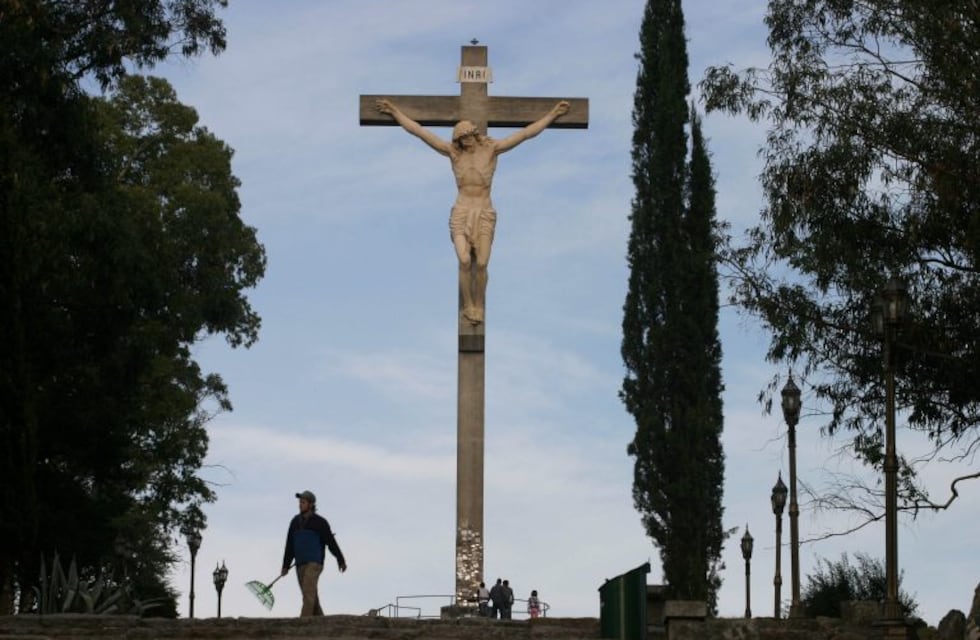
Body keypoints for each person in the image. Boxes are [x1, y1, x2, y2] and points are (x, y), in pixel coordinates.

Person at [375, 98, 570, 326]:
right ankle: (468, 306)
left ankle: (478, 304)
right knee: (465, 260)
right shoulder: (454, 153)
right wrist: (395, 112)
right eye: (460, 139)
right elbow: (420, 132)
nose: (465, 142)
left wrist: (552, 115)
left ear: (474, 134)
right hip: (461, 211)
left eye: (467, 137)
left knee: (483, 264)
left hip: (484, 212)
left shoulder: (491, 149)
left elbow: (526, 134)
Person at [281, 490, 347, 616]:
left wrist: (341, 560)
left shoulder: (320, 522)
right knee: (310, 594)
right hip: (300, 563)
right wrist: (285, 565)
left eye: (303, 502)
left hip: (314, 563)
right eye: (300, 502)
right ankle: (321, 623)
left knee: (308, 591)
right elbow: (289, 545)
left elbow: (331, 542)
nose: (300, 504)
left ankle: (303, 622)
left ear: (311, 504)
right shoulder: (294, 522)